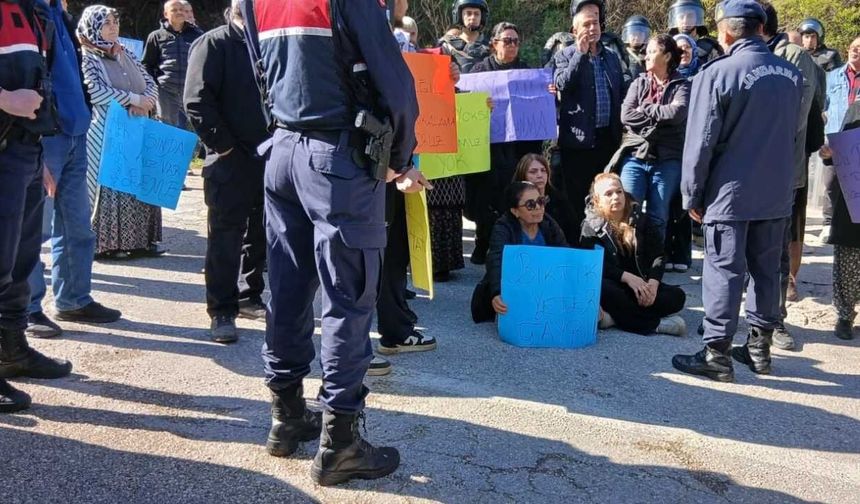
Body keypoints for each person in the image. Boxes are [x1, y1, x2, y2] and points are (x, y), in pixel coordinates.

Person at [241, 0, 425, 485]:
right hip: (337, 157)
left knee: (287, 286)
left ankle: (286, 417)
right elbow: (399, 87)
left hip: (283, 150)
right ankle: (340, 443)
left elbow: (260, 73)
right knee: (348, 296)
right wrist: (401, 159)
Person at [672, 0, 801, 382]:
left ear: (726, 31)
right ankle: (759, 350)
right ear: (761, 28)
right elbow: (794, 133)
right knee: (765, 270)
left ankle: (717, 354)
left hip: (731, 192)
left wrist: (691, 194)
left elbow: (700, 141)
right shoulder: (791, 74)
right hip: (776, 191)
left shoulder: (718, 72)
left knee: (725, 269)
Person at [24, 0, 122, 340]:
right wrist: (38, 142)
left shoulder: (59, 14)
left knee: (78, 227)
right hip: (45, 138)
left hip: (76, 133)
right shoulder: (25, 13)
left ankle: (74, 300)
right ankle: (27, 309)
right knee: (30, 233)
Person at [0, 0, 73, 414]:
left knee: (20, 263)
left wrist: (39, 157)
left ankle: (12, 350)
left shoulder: (31, 13)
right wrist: (4, 99)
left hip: (24, 152)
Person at [183, 0, 268, 344]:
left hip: (267, 158)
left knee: (260, 234)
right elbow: (196, 101)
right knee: (225, 237)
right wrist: (225, 147)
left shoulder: (266, 45)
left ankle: (251, 296)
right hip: (230, 160)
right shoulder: (214, 42)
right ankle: (221, 310)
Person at [761, 1, 823, 350]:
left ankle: (775, 321)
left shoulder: (795, 56)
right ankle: (730, 322)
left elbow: (796, 118)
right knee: (739, 248)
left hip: (781, 166)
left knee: (776, 250)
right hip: (746, 170)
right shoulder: (741, 55)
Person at [376, 0, 436, 362]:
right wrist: (398, 166)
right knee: (382, 252)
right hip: (384, 165)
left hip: (397, 162)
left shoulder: (394, 37)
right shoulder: (374, 33)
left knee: (393, 250)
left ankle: (395, 327)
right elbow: (394, 102)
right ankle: (390, 331)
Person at [78, 6, 164, 259]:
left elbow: (149, 81)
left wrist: (147, 100)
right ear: (93, 27)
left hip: (137, 128)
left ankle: (140, 242)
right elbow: (95, 91)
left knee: (139, 182)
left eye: (115, 22)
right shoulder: (87, 56)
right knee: (113, 185)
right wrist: (133, 99)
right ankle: (107, 245)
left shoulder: (125, 52)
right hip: (108, 130)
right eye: (106, 23)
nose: (113, 27)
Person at [467, 22, 545, 264]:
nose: (512, 45)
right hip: (488, 145)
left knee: (515, 192)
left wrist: (548, 92)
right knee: (485, 195)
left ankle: (512, 245)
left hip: (518, 147)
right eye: (507, 40)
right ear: (494, 44)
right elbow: (466, 105)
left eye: (515, 41)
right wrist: (480, 104)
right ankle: (483, 242)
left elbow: (538, 104)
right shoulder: (480, 71)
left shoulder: (527, 73)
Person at [553, 0, 624, 245]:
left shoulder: (611, 57)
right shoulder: (565, 55)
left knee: (606, 197)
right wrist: (580, 55)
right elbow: (563, 84)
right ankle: (577, 246)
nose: (592, 28)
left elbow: (621, 93)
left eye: (595, 23)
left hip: (608, 139)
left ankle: (605, 247)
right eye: (586, 24)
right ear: (574, 30)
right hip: (579, 141)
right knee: (577, 199)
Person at [581, 173, 687, 336]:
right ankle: (656, 324)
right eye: (608, 194)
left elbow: (658, 255)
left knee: (677, 296)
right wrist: (627, 277)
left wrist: (653, 283)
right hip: (614, 283)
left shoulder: (640, 218)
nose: (616, 197)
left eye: (619, 191)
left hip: (640, 285)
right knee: (604, 289)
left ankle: (615, 318)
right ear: (597, 200)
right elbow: (595, 265)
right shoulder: (590, 226)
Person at [610, 34, 690, 244]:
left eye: (653, 51)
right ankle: (627, 261)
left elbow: (676, 114)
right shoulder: (639, 83)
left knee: (658, 215)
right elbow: (626, 115)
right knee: (627, 210)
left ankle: (652, 266)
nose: (646, 56)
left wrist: (644, 108)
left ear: (667, 56)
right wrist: (659, 115)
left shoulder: (682, 85)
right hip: (635, 157)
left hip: (667, 160)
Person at [471, 182, 568, 323]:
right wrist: (496, 293)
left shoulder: (549, 224)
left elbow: (565, 255)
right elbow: (496, 260)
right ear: (515, 211)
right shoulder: (502, 228)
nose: (538, 208)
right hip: (513, 284)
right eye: (530, 204)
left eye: (541, 201)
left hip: (544, 285)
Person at [819, 101, 860, 341]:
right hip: (854, 199)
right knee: (848, 258)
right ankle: (845, 315)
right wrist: (828, 155)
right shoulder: (856, 110)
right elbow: (844, 151)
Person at [820, 37, 860, 244]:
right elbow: (822, 107)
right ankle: (828, 223)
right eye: (853, 47)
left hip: (857, 140)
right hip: (836, 136)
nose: (855, 51)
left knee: (854, 187)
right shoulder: (833, 77)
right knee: (831, 183)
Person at [142, 0, 203, 130]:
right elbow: (147, 65)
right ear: (165, 14)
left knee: (202, 127)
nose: (179, 12)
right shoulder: (156, 36)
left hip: (192, 91)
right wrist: (153, 87)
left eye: (181, 9)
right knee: (167, 130)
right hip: (166, 91)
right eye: (174, 10)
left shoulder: (197, 35)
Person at [512, 154, 579, 245]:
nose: (540, 175)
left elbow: (573, 235)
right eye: (533, 172)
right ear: (522, 175)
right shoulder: (512, 203)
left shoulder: (561, 202)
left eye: (543, 171)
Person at [439, 0, 490, 73]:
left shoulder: (492, 47)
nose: (472, 17)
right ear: (459, 15)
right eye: (468, 13)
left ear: (482, 17)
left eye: (477, 14)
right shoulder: (447, 46)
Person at [667, 0, 723, 66]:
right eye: (681, 17)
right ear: (675, 19)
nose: (685, 21)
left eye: (690, 16)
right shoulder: (667, 48)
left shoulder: (710, 49)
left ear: (697, 18)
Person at [621, 15, 651, 81]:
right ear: (627, 35)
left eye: (640, 34)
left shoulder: (650, 54)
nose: (636, 38)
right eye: (634, 34)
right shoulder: (621, 54)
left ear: (645, 36)